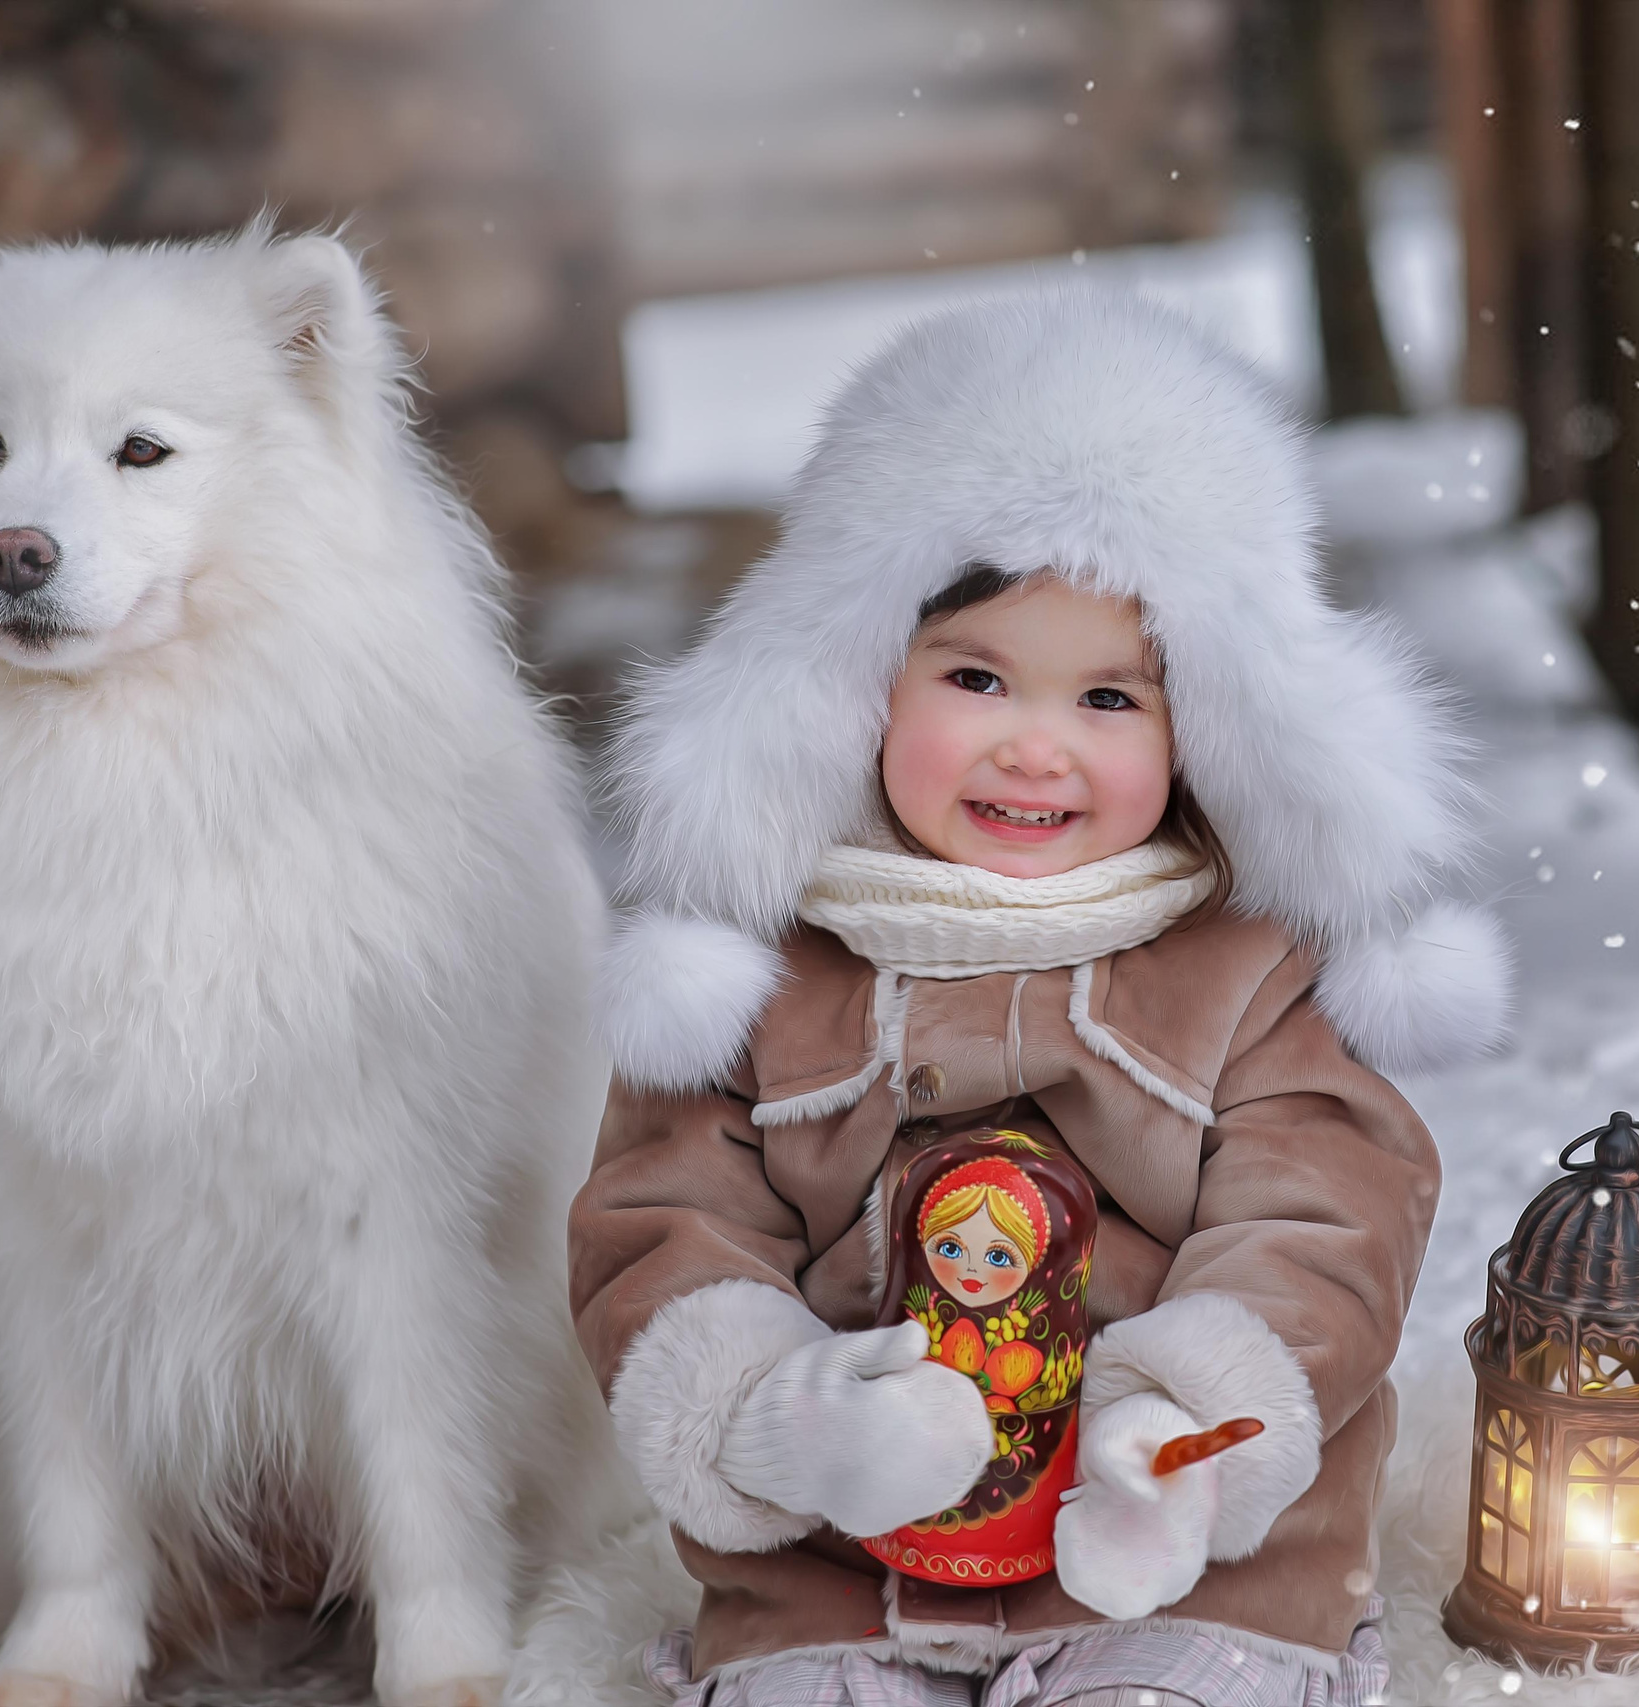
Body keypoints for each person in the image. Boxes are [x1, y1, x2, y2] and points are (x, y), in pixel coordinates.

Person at [570, 292, 1511, 1706]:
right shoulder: (763, 974)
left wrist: (1189, 1429)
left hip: (1180, 1560)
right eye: (976, 675)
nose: (1035, 748)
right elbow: (665, 1223)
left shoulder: (1242, 970)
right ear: (844, 684)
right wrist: (775, 1416)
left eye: (1109, 701)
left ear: (1213, 727)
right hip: (833, 1572)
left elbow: (1324, 1220)